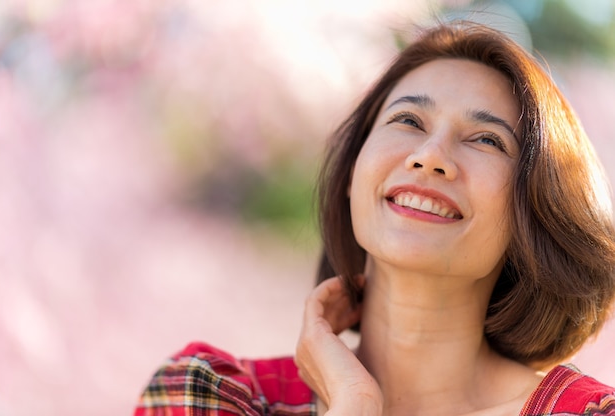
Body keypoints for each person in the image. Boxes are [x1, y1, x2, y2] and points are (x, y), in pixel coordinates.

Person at [134, 21, 615, 415]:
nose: (430, 157)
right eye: (408, 122)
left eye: (486, 140)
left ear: (533, 210)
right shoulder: (209, 395)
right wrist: (354, 405)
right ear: (352, 173)